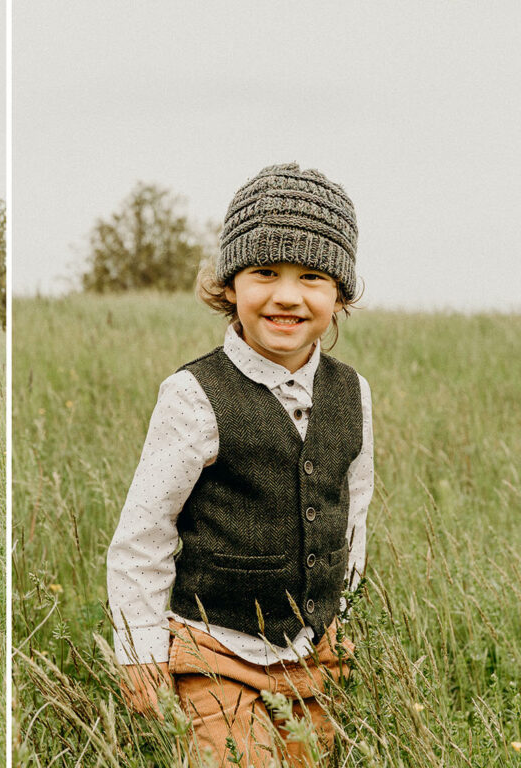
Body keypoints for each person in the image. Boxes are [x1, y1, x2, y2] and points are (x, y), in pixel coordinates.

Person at [107, 163, 374, 767]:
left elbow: (352, 516)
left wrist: (342, 618)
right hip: (215, 649)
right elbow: (142, 536)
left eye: (312, 276)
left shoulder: (351, 394)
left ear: (340, 295)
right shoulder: (194, 394)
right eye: (264, 273)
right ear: (230, 285)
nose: (287, 295)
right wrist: (140, 651)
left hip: (314, 655)